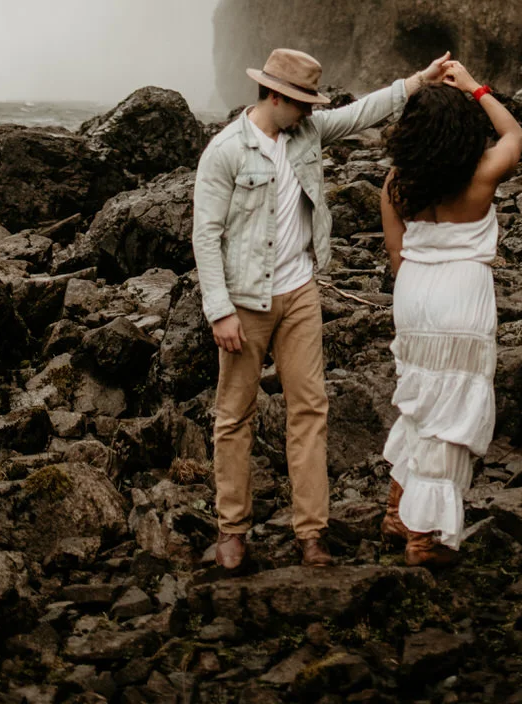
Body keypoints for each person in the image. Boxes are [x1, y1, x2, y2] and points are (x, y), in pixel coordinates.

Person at [192, 45, 451, 573]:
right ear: (273, 95)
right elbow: (206, 235)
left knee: (309, 410)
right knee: (233, 416)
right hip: (245, 302)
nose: (310, 111)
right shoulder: (225, 151)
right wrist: (218, 310)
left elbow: (362, 112)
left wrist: (417, 82)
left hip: (301, 293)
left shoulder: (305, 133)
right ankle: (232, 531)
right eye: (302, 102)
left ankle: (311, 534)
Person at [379, 60, 522, 566]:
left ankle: (400, 509)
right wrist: (474, 86)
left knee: (421, 401)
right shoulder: (481, 174)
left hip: (415, 293)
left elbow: (397, 258)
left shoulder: (397, 181)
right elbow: (514, 132)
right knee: (452, 414)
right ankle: (428, 535)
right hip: (461, 293)